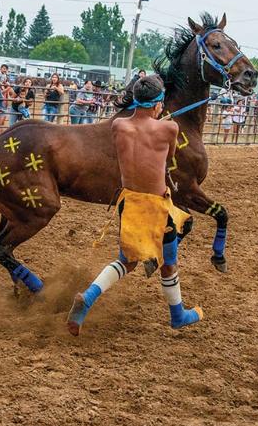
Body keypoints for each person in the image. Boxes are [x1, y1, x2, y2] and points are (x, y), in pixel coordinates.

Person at [67, 75, 201, 336]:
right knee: (168, 262)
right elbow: (169, 155)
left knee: (126, 261)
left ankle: (88, 298)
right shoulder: (169, 129)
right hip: (156, 207)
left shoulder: (119, 126)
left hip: (129, 202)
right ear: (157, 104)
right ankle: (178, 315)